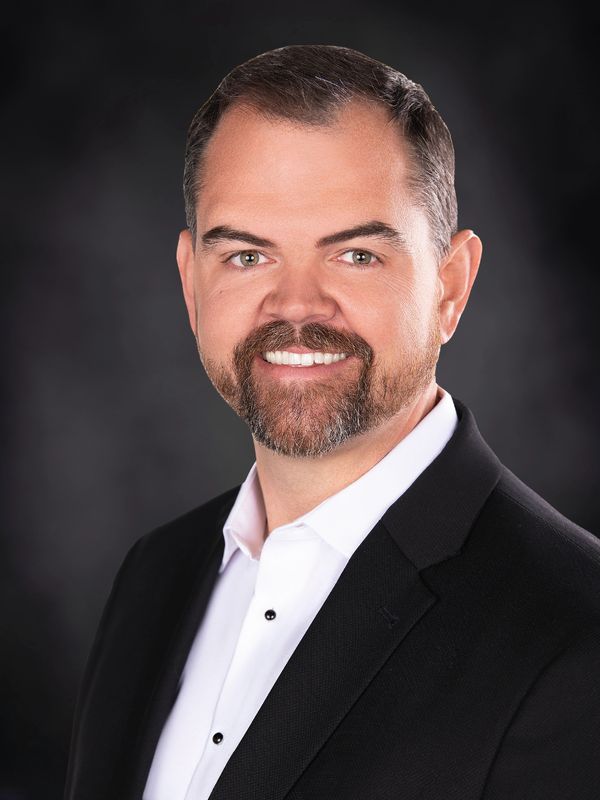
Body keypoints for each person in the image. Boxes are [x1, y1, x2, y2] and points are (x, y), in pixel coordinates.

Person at [64, 45, 600, 800]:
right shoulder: (154, 577)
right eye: (248, 256)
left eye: (354, 254)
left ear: (451, 287)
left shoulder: (575, 634)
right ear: (191, 286)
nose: (297, 308)